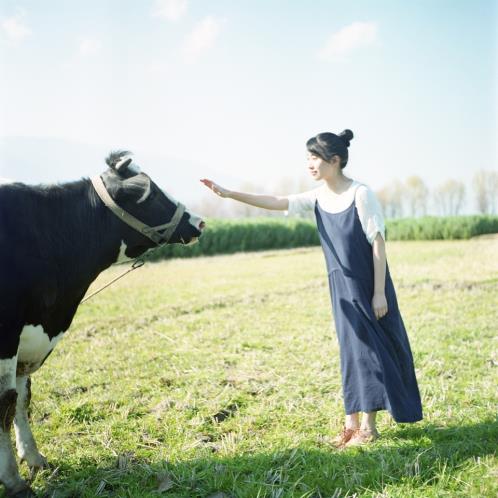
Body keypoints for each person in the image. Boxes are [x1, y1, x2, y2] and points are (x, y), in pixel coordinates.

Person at [200, 129, 423, 448]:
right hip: (340, 287)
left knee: (372, 351)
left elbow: (378, 243)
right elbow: (277, 202)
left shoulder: (361, 193)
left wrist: (378, 293)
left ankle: (369, 429)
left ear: (335, 160)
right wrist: (229, 194)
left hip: (368, 284)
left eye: (314, 157)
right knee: (350, 352)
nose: (309, 163)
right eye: (307, 157)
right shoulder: (318, 196)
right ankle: (351, 423)